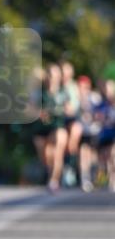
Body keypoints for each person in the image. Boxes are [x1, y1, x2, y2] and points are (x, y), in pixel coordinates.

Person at [32, 64, 68, 192]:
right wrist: (39, 113)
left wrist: (59, 111)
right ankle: (50, 171)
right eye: (50, 75)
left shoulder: (64, 92)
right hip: (42, 128)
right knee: (46, 156)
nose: (52, 78)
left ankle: (53, 180)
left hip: (58, 125)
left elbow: (71, 109)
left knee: (57, 149)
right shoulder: (39, 92)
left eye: (55, 75)